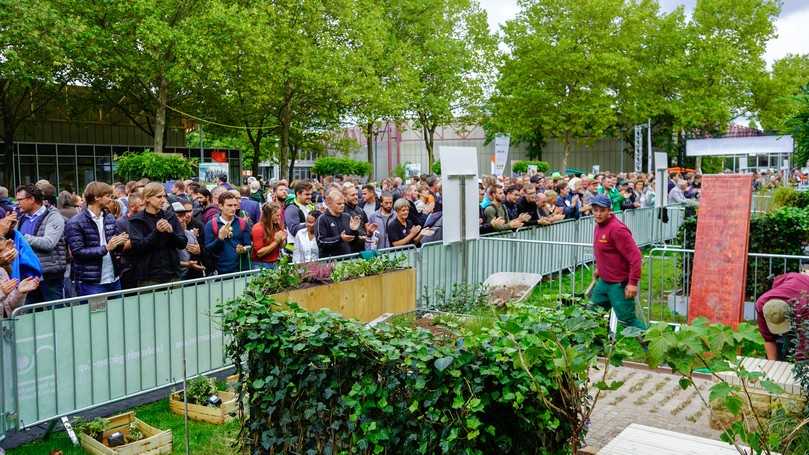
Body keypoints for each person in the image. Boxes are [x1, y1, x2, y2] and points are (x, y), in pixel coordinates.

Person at [589, 195, 645, 330]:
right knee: (591, 315)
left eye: (602, 210)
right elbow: (604, 252)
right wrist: (599, 268)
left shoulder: (617, 229)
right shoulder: (598, 226)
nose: (598, 214)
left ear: (609, 210)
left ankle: (652, 346)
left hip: (619, 284)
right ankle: (599, 348)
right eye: (595, 210)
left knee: (628, 321)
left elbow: (636, 257)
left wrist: (632, 283)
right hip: (604, 281)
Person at [65, 182, 129, 296]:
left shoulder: (109, 217)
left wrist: (121, 242)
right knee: (95, 314)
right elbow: (77, 252)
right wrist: (106, 248)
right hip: (91, 283)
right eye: (108, 196)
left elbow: (116, 247)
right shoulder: (75, 222)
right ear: (97, 197)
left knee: (118, 313)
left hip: (114, 279)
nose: (111, 199)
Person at [128, 182, 188, 286]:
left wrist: (171, 233)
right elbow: (138, 247)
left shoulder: (170, 216)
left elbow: (182, 243)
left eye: (164, 196)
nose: (163, 200)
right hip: (148, 278)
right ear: (147, 198)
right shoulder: (136, 220)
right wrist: (156, 232)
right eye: (159, 197)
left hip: (172, 275)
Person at [15, 184, 67, 303]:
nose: (17, 203)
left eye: (20, 200)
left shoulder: (53, 216)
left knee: (53, 315)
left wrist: (22, 238)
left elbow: (49, 243)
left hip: (49, 278)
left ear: (32, 199)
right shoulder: (21, 218)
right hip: (28, 277)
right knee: (32, 316)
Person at [755, 272, 809, 360]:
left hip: (805, 285)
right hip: (787, 281)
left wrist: (799, 365)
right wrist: (772, 366)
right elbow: (768, 339)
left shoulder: (803, 308)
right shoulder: (761, 305)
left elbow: (804, 343)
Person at [204, 191, 251, 274]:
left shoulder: (242, 223)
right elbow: (208, 251)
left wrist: (243, 249)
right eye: (229, 205)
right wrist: (220, 238)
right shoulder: (211, 225)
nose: (233, 209)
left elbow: (248, 245)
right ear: (220, 206)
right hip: (218, 273)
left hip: (239, 271)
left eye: (235, 205)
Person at [316, 189, 361, 258]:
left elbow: (353, 241)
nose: (342, 205)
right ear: (329, 203)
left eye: (343, 203)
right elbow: (321, 242)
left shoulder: (347, 216)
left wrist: (354, 231)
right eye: (339, 204)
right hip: (330, 262)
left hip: (347, 259)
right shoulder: (322, 219)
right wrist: (340, 238)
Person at [0, 239, 39, 317]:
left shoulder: (2, 271)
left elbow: (10, 307)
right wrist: (2, 292)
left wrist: (20, 292)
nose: (4, 255)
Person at [173, 201, 205, 279]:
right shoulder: (166, 235)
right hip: (174, 277)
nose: (185, 217)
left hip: (191, 276)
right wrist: (186, 264)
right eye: (179, 216)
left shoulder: (191, 233)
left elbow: (201, 253)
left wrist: (199, 251)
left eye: (183, 215)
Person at [251, 202, 286, 269]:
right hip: (261, 265)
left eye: (280, 215)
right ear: (269, 215)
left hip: (275, 263)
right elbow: (259, 253)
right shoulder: (258, 228)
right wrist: (276, 242)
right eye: (277, 215)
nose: (279, 218)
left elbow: (282, 246)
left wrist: (282, 239)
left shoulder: (276, 226)